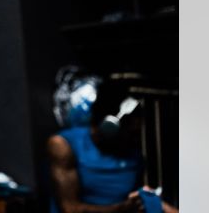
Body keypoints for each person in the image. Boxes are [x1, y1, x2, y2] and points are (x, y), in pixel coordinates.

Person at [47, 80, 178, 213]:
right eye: (130, 131)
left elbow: (135, 200)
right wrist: (122, 209)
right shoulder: (64, 145)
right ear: (110, 125)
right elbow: (70, 209)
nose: (135, 138)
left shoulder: (133, 154)